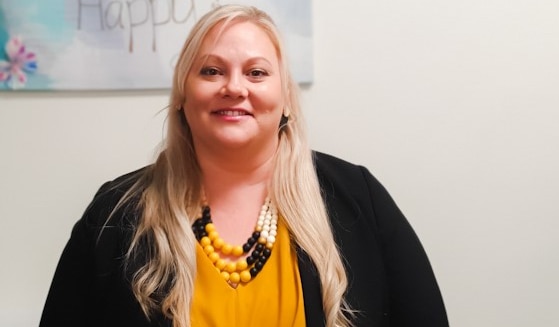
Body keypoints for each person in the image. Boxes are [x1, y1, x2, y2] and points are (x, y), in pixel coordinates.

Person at [39, 4, 448, 327]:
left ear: (285, 97)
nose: (234, 87)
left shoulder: (360, 199)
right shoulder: (114, 212)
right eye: (212, 71)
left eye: (256, 72)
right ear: (183, 93)